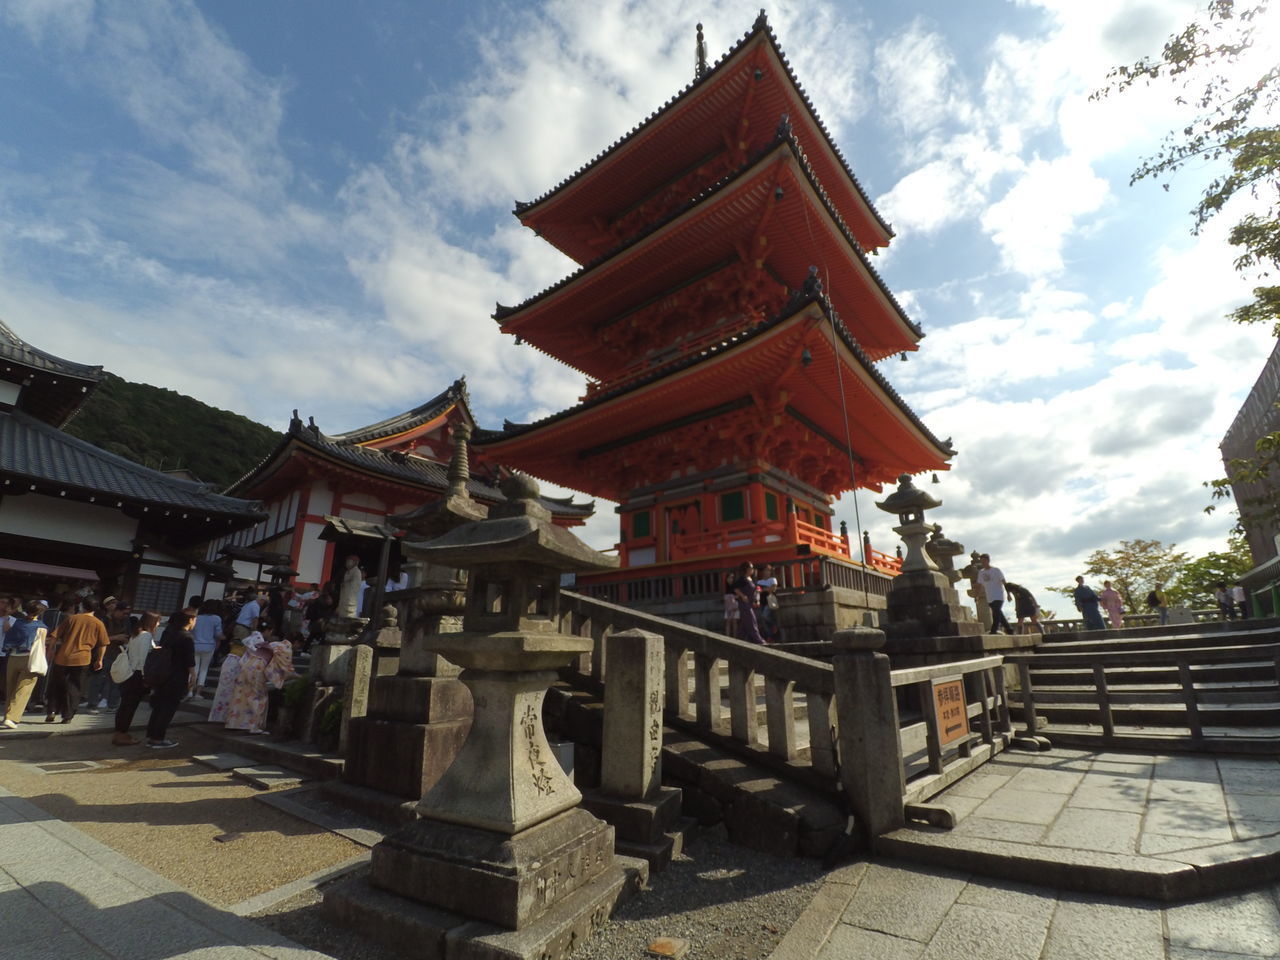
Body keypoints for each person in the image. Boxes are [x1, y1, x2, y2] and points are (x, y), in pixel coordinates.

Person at [224, 621, 294, 734]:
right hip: (257, 669)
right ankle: (253, 726)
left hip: (245, 666)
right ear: (268, 630)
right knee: (258, 697)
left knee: (241, 695)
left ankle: (235, 722)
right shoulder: (273, 644)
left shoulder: (253, 638)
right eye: (270, 631)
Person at [47, 599, 108, 723]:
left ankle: (52, 710)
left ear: (82, 607)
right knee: (74, 687)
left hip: (62, 656)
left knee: (56, 685)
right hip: (82, 658)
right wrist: (100, 659)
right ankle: (67, 716)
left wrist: (50, 651)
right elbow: (103, 644)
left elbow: (54, 636)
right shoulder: (98, 623)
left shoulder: (72, 619)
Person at [144, 608, 196, 748]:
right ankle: (158, 738)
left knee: (159, 706)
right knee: (168, 708)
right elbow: (189, 660)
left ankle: (152, 734)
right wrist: (193, 676)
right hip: (177, 676)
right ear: (190, 620)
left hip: (162, 673)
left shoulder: (168, 633)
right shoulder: (186, 637)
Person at [112, 612, 160, 746]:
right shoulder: (146, 636)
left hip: (130, 673)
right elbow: (143, 659)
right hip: (138, 674)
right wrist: (146, 678)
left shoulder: (136, 634)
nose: (158, 624)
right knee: (130, 707)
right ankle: (122, 734)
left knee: (125, 705)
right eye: (157, 622)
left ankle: (119, 733)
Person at [2, 600, 50, 728]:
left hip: (13, 656)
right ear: (39, 613)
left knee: (10, 688)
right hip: (29, 659)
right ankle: (12, 718)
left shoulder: (18, 622)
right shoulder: (41, 627)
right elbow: (41, 646)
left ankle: (7, 715)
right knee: (24, 689)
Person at [190, 600, 224, 699]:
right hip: (209, 646)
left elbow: (192, 631)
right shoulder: (216, 618)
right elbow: (218, 634)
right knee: (204, 669)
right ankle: (198, 693)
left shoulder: (197, 617)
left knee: (194, 669)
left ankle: (190, 691)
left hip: (195, 645)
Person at [731, 561, 768, 645]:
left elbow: (754, 590)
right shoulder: (742, 579)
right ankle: (760, 641)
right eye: (751, 568)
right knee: (751, 621)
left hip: (751, 604)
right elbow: (735, 588)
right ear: (747, 569)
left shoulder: (751, 579)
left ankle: (736, 642)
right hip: (744, 604)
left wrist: (757, 597)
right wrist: (742, 596)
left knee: (744, 626)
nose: (753, 569)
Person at [977, 554, 1014, 634]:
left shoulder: (996, 570)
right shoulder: (981, 572)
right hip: (989, 597)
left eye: (984, 561)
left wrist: (1008, 594)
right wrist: (978, 596)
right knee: (998, 613)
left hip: (998, 595)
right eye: (981, 561)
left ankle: (993, 630)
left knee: (996, 612)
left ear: (988, 561)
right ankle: (1009, 629)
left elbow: (1004, 582)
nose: (982, 563)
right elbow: (980, 585)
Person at [756, 562, 782, 643]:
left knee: (765, 616)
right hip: (762, 601)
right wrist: (766, 589)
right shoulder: (759, 581)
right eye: (765, 570)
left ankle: (774, 625)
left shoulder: (773, 579)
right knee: (763, 621)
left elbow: (773, 588)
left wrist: (764, 589)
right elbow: (758, 591)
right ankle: (770, 636)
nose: (767, 572)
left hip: (770, 600)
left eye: (768, 570)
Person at [722, 573, 740, 637]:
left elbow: (739, 596)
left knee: (734, 622)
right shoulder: (725, 587)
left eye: (732, 578)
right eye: (729, 578)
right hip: (728, 606)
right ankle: (727, 637)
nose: (730, 579)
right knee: (728, 622)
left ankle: (735, 637)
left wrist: (732, 597)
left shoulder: (735, 587)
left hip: (734, 606)